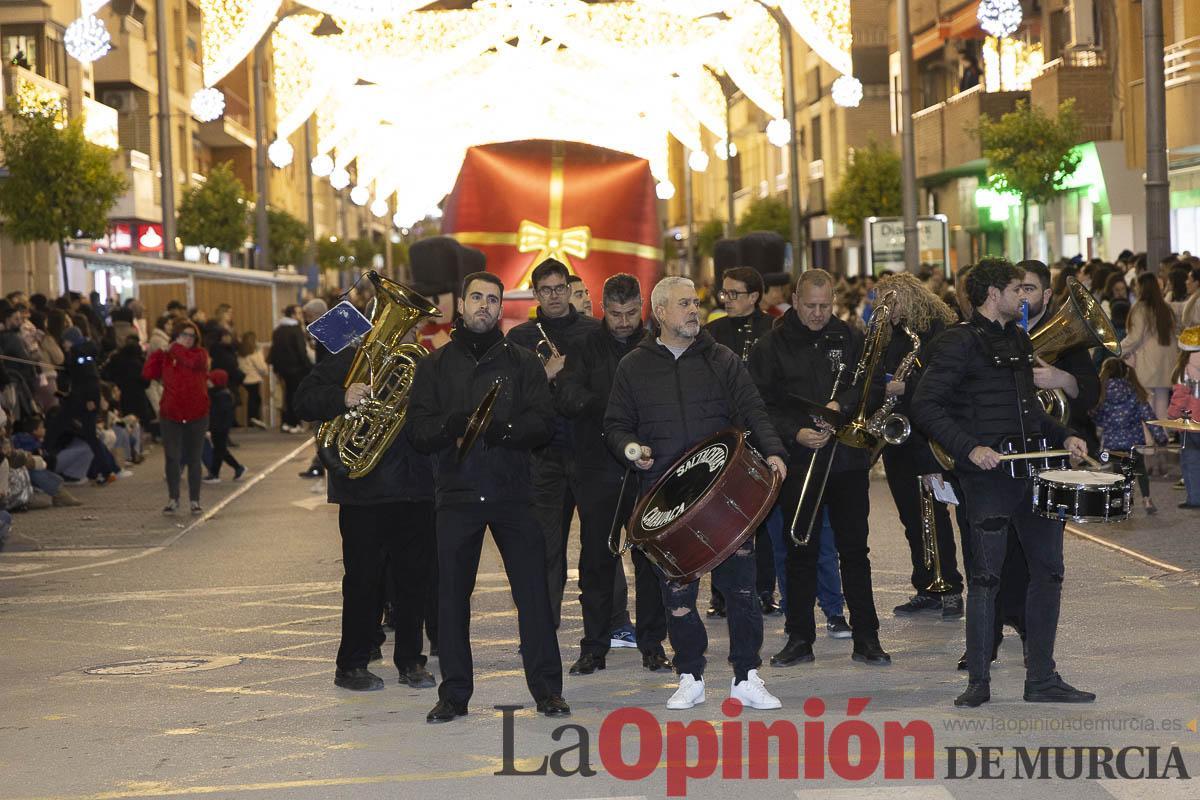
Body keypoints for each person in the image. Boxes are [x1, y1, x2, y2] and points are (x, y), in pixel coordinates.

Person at [911, 257, 1093, 708]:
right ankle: (978, 681)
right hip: (989, 479)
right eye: (1018, 289)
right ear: (994, 294)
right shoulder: (957, 344)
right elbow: (925, 404)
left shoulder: (1016, 338)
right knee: (986, 578)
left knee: (1049, 573)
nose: (1024, 297)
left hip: (1033, 474)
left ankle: (1042, 678)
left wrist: (1064, 435)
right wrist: (968, 448)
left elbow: (1030, 410)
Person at [605, 276, 788, 711]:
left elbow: (753, 409)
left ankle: (747, 676)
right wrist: (632, 452)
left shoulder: (722, 359)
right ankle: (690, 674)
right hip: (665, 500)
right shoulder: (634, 366)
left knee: (743, 590)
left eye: (696, 302)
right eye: (684, 303)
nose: (694, 310)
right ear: (661, 313)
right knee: (679, 595)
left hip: (725, 496)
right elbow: (615, 426)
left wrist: (775, 452)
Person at [408, 271, 568, 723]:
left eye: (492, 299)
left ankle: (548, 691)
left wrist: (503, 431)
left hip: (514, 495)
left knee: (534, 597)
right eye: (476, 297)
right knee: (451, 599)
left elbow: (544, 425)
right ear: (461, 305)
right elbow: (419, 433)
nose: (484, 305)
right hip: (457, 496)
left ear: (501, 308)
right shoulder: (433, 366)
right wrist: (452, 425)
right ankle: (454, 694)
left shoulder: (522, 362)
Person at [750, 269, 891, 669]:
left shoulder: (849, 337)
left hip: (845, 460)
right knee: (800, 550)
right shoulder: (770, 346)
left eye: (824, 306)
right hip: (799, 462)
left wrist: (841, 407)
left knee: (855, 552)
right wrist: (794, 433)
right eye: (810, 305)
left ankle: (867, 637)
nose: (817, 313)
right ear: (795, 301)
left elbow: (872, 383)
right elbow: (759, 404)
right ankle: (799, 638)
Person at [295, 330, 438, 692]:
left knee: (413, 582)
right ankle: (352, 664)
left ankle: (411, 661)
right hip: (363, 492)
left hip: (415, 488)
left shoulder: (425, 365)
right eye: (398, 322)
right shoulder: (351, 362)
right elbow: (303, 400)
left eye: (411, 325)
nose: (405, 331)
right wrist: (342, 397)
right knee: (362, 583)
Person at [555, 273, 668, 675]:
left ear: (643, 307)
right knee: (596, 562)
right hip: (598, 466)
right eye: (616, 314)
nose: (623, 321)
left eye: (631, 313)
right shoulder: (584, 344)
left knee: (651, 560)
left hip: (649, 470)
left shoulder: (657, 343)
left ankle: (653, 644)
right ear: (604, 308)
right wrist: (612, 413)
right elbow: (566, 394)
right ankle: (594, 646)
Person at [506, 259, 601, 628]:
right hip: (544, 457)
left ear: (570, 288)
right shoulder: (520, 339)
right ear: (535, 294)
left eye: (559, 288)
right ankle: (541, 630)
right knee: (545, 550)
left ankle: (602, 634)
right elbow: (509, 398)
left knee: (598, 551)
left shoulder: (595, 332)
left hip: (592, 453)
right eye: (545, 290)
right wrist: (543, 375)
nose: (554, 296)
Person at [873, 272, 965, 619]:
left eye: (888, 301)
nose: (883, 309)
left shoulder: (936, 334)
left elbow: (942, 387)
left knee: (936, 515)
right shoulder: (890, 335)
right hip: (899, 438)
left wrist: (905, 389)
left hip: (927, 439)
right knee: (912, 518)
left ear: (906, 298)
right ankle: (925, 585)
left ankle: (951, 588)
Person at [705, 267, 779, 616]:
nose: (727, 300)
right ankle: (720, 593)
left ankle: (764, 589)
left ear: (753, 296)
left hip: (760, 431)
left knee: (759, 516)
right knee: (720, 516)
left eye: (734, 294)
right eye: (725, 293)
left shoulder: (773, 330)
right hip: (723, 433)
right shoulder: (712, 331)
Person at [143, 320, 210, 515]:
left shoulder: (200, 355)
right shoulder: (168, 356)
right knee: (172, 457)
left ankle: (194, 500)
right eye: (183, 335)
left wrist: (175, 348)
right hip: (171, 414)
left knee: (194, 458)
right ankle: (173, 498)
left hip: (197, 414)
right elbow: (148, 373)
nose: (187, 339)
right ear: (176, 336)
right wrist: (159, 353)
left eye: (191, 336)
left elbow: (190, 362)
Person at [1090, 358, 1162, 514]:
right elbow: (1149, 416)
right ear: (1125, 372)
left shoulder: (1102, 392)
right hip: (1133, 441)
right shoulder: (1135, 391)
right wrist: (1160, 437)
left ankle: (1119, 502)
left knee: (1118, 471)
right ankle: (1147, 500)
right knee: (1139, 468)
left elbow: (1097, 418)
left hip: (1112, 443)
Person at [1121, 272, 1178, 425]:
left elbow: (1134, 337)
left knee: (1146, 407)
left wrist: (1118, 350)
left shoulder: (1140, 308)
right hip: (1167, 364)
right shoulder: (1166, 308)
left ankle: (1148, 446)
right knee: (1162, 409)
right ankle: (1161, 442)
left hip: (1147, 363)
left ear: (1141, 287)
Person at [1168, 329, 1200, 509]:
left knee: (1190, 462)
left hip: (1189, 425)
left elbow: (1179, 400)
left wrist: (1172, 415)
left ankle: (1195, 498)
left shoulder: (1184, 373)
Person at [268, 305, 311, 434]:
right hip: (296, 368)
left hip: (282, 369)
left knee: (286, 395)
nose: (300, 316)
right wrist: (308, 366)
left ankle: (286, 422)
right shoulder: (295, 330)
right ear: (292, 315)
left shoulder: (278, 330)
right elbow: (301, 351)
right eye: (298, 313)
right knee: (295, 395)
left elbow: (274, 350)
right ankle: (295, 422)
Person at [203, 369, 245, 483]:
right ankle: (238, 468)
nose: (208, 382)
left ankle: (215, 474)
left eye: (210, 380)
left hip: (220, 427)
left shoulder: (222, 395)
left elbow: (218, 414)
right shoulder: (217, 393)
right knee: (221, 450)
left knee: (219, 450)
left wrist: (211, 427)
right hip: (218, 427)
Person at [237, 331, 268, 428]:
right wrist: (260, 353)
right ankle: (254, 419)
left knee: (252, 399)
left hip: (244, 379)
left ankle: (251, 420)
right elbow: (262, 367)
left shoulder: (240, 353)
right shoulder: (254, 353)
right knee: (255, 400)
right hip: (253, 379)